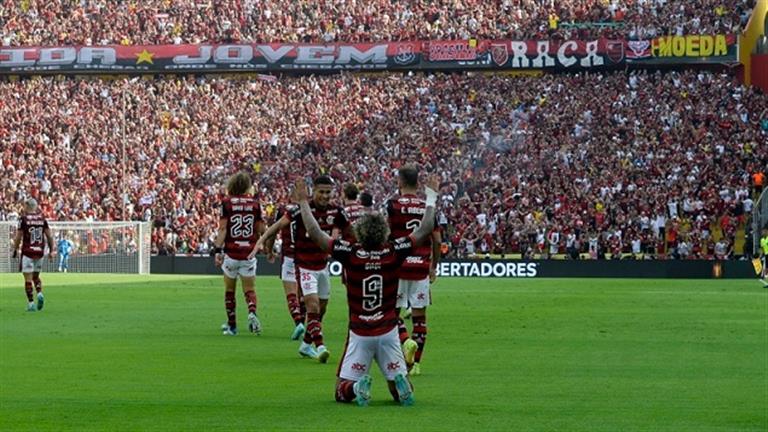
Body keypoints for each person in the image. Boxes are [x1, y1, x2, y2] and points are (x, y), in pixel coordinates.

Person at [291, 173, 439, 406]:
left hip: (360, 333)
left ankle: (358, 386)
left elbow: (316, 233)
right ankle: (400, 383)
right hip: (389, 332)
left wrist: (302, 202)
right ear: (384, 232)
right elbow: (425, 228)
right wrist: (431, 195)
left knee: (341, 391)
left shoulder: (350, 252)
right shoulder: (394, 251)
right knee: (396, 392)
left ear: (360, 233)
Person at [252, 175, 349, 362]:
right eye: (321, 192)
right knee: (311, 304)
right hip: (303, 265)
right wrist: (261, 242)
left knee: (321, 309)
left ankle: (305, 345)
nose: (325, 196)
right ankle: (320, 346)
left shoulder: (337, 212)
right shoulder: (300, 210)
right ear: (313, 191)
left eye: (328, 192)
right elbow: (277, 226)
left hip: (322, 266)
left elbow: (350, 232)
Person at [385, 164, 441, 376]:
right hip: (421, 267)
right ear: (418, 183)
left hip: (398, 266)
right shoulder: (427, 206)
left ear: (399, 182)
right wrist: (433, 266)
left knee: (392, 313)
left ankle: (404, 340)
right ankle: (416, 364)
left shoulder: (392, 204)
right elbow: (436, 240)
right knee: (420, 318)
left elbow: (386, 233)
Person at [213, 172, 266, 335]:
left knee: (230, 291)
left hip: (231, 253)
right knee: (249, 289)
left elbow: (223, 229)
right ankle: (251, 312)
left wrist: (217, 250)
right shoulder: (256, 204)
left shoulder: (226, 203)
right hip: (249, 253)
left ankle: (232, 326)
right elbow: (261, 230)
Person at [265, 204, 306, 340]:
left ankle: (298, 323)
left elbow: (273, 232)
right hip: (305, 256)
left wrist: (269, 251)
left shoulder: (283, 210)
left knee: (291, 295)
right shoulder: (310, 208)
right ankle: (305, 323)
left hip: (289, 256)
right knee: (304, 293)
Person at [11, 198, 54, 312]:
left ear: (27, 206)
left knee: (28, 279)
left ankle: (31, 303)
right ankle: (39, 293)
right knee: (36, 276)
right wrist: (51, 250)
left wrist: (15, 249)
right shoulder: (42, 219)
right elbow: (49, 236)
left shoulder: (23, 219)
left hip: (28, 252)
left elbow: (19, 236)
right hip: (40, 252)